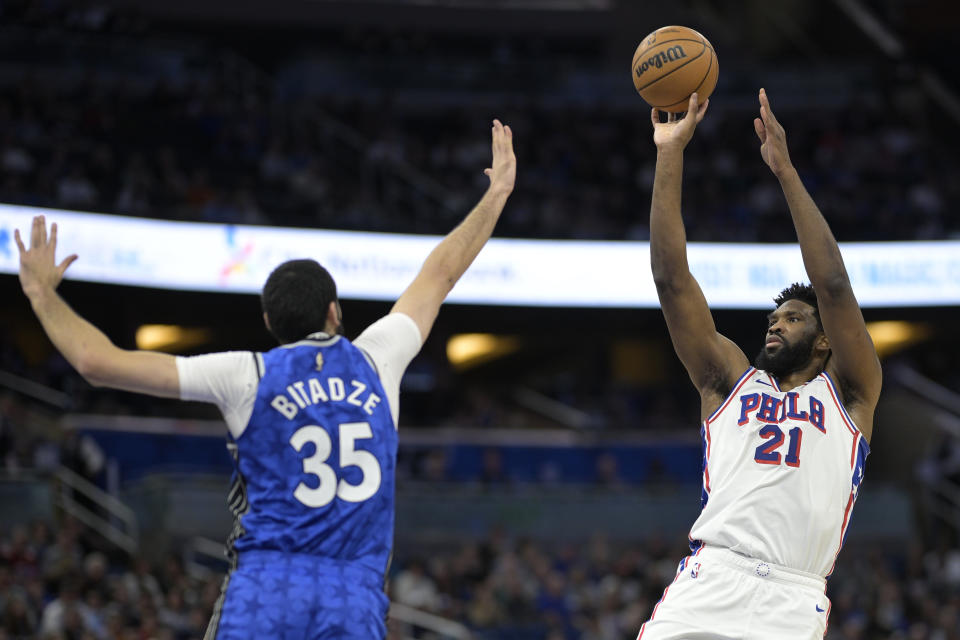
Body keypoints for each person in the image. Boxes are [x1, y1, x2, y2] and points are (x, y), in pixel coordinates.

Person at [16, 119, 516, 640]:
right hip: (353, 598)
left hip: (265, 594)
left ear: (270, 326)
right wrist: (497, 192)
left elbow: (97, 363)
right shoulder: (379, 358)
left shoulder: (246, 373)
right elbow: (440, 274)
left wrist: (43, 296)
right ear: (334, 311)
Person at [637, 90, 882, 640]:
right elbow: (671, 279)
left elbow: (835, 287)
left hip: (793, 599)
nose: (775, 324)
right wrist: (670, 152)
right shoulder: (727, 380)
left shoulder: (850, 393)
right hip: (711, 578)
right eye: (774, 317)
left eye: (793, 318)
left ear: (824, 343)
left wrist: (786, 172)